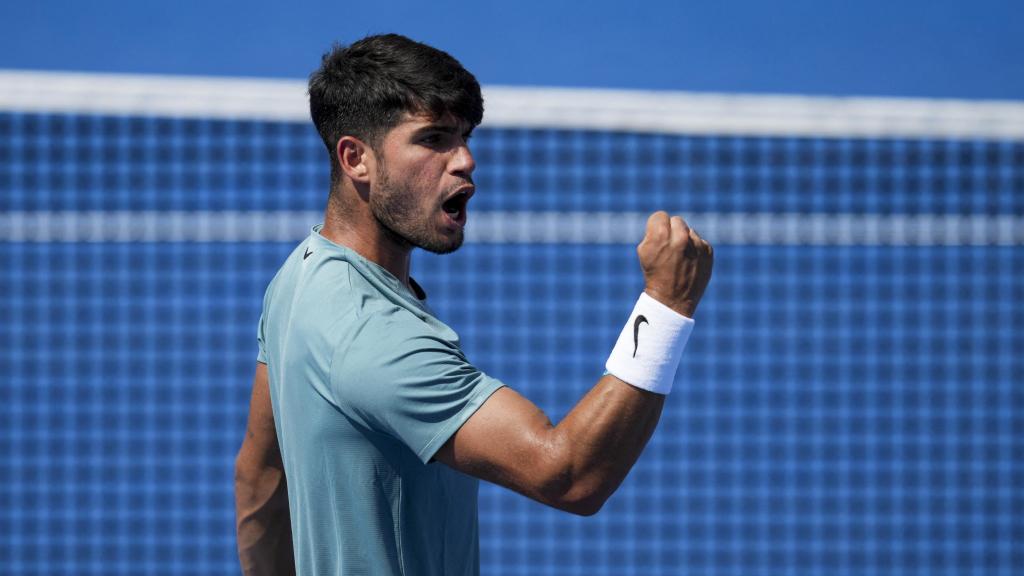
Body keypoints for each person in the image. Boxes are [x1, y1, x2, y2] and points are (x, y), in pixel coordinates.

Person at [234, 33, 713, 576]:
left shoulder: (298, 277)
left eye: (463, 137)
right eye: (433, 139)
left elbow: (260, 477)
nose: (465, 160)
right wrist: (667, 304)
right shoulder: (377, 338)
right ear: (356, 159)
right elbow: (568, 473)